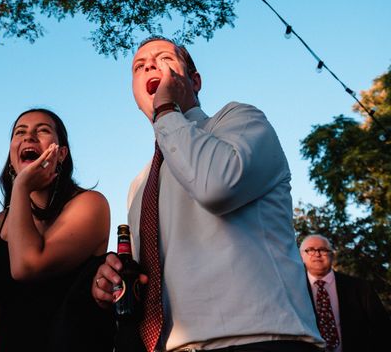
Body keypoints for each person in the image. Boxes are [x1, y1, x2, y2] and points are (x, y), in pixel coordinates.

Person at [92, 37, 324, 351]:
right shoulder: (140, 183)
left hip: (260, 339)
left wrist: (165, 110)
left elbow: (216, 186)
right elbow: (147, 278)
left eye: (163, 58)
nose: (148, 65)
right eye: (138, 66)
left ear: (194, 80)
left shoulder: (240, 121)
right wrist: (112, 283)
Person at [0, 108, 111, 352]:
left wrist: (22, 186)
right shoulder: (1, 222)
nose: (29, 137)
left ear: (62, 154)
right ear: (12, 155)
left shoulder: (90, 204)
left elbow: (27, 266)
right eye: (20, 132)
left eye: (43, 130)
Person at [299, 234, 390, 351]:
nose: (317, 253)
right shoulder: (294, 290)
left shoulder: (360, 288)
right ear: (301, 256)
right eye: (310, 250)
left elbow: (382, 328)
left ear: (332, 255)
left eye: (323, 249)